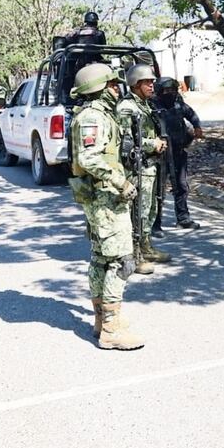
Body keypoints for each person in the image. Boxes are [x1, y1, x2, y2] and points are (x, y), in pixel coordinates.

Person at [67, 63, 145, 350]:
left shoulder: (97, 115)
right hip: (106, 198)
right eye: (112, 84)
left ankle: (103, 319)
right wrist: (120, 182)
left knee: (101, 258)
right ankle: (110, 330)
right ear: (99, 88)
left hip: (102, 197)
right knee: (121, 261)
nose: (117, 88)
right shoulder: (92, 117)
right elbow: (88, 158)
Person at [117, 64, 172, 275]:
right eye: (147, 82)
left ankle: (146, 247)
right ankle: (135, 255)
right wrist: (152, 144)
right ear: (136, 84)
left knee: (150, 210)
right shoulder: (127, 107)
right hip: (137, 168)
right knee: (137, 213)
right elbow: (126, 139)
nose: (152, 85)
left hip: (150, 166)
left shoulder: (146, 105)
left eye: (152, 82)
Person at [153, 76, 203, 232]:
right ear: (160, 91)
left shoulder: (178, 104)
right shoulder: (151, 106)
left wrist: (197, 126)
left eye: (173, 90)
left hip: (178, 152)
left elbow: (192, 114)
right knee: (157, 190)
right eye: (167, 90)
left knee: (181, 186)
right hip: (160, 155)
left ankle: (183, 218)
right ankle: (155, 223)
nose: (171, 93)